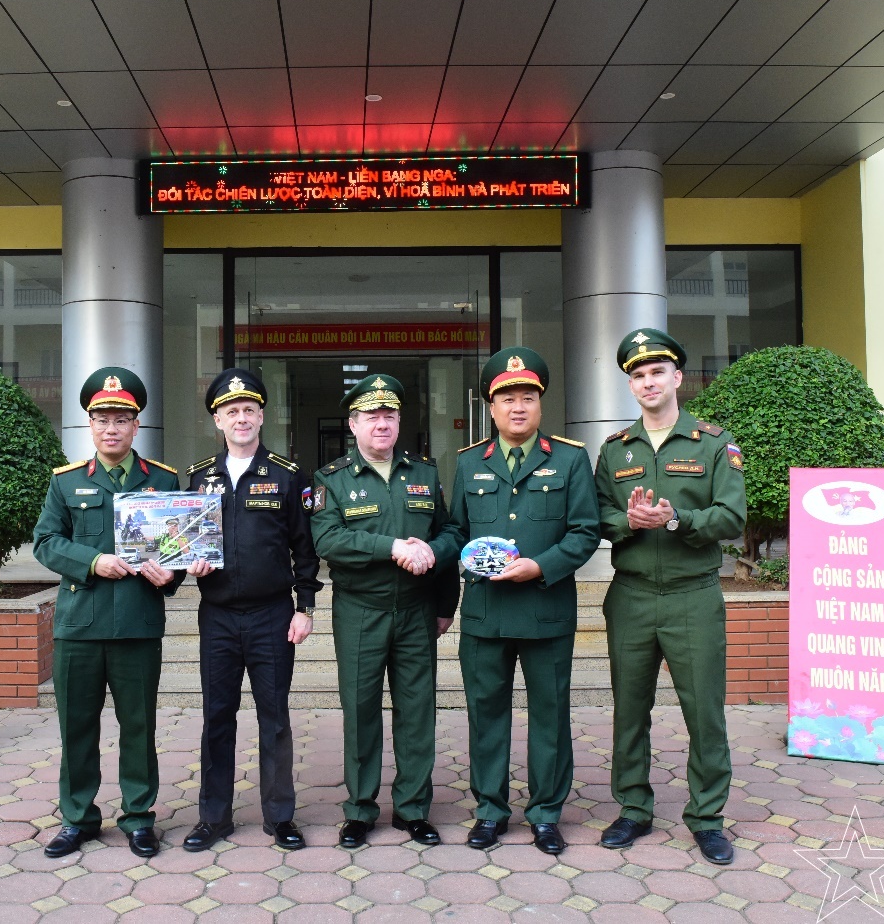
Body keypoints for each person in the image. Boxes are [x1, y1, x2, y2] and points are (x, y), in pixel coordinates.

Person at [593, 328, 747, 866]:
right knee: (629, 711)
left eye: (657, 372)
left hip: (692, 596)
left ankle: (706, 817)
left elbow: (731, 516)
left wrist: (677, 519)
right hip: (632, 596)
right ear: (630, 386)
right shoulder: (615, 450)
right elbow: (597, 516)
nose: (648, 382)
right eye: (638, 375)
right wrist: (629, 522)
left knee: (704, 712)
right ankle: (633, 808)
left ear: (677, 377)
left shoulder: (713, 443)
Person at [445, 347, 599, 853]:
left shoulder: (570, 459)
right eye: (507, 398)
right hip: (485, 613)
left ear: (540, 403)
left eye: (527, 397)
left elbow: (585, 532)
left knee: (550, 716)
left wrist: (541, 566)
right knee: (486, 714)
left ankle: (546, 813)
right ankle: (490, 811)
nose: (518, 407)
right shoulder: (469, 462)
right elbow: (456, 531)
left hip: (545, 609)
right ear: (491, 407)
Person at [33, 367, 183, 859]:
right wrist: (93, 560)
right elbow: (46, 541)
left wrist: (171, 575)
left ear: (136, 426)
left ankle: (138, 817)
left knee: (138, 727)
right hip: (80, 624)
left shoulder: (162, 480)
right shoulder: (67, 482)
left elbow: (179, 546)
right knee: (77, 727)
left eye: (121, 419)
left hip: (137, 624)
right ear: (90, 426)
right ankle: (78, 818)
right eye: (102, 420)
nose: (111, 428)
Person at [310, 374, 460, 849]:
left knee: (417, 711)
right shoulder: (331, 479)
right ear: (353, 425)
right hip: (361, 610)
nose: (382, 424)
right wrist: (392, 547)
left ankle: (413, 808)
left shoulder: (424, 473)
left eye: (389, 415)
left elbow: (450, 533)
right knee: (360, 711)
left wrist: (437, 573)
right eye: (371, 416)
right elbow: (327, 540)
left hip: (416, 609)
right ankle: (359, 809)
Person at [182, 368, 321, 852]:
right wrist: (188, 564)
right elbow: (182, 541)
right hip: (218, 616)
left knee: (274, 718)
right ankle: (213, 818)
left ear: (261, 417)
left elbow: (305, 550)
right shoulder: (199, 477)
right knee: (217, 717)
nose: (240, 418)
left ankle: (279, 817)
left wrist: (305, 608)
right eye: (231, 411)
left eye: (248, 410)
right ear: (217, 420)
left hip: (272, 616)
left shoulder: (287, 475)